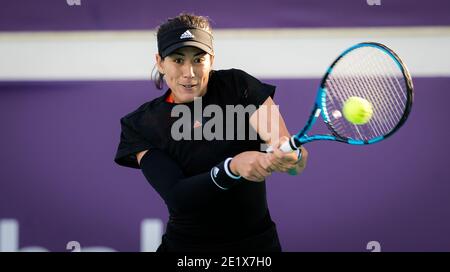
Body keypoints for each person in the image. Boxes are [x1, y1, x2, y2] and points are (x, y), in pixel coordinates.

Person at [114, 13, 308, 252]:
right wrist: (232, 167)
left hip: (257, 248)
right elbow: (178, 197)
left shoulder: (239, 87)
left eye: (198, 59)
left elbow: (292, 159)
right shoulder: (142, 124)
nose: (189, 72)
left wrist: (292, 158)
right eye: (177, 60)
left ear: (211, 59)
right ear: (160, 62)